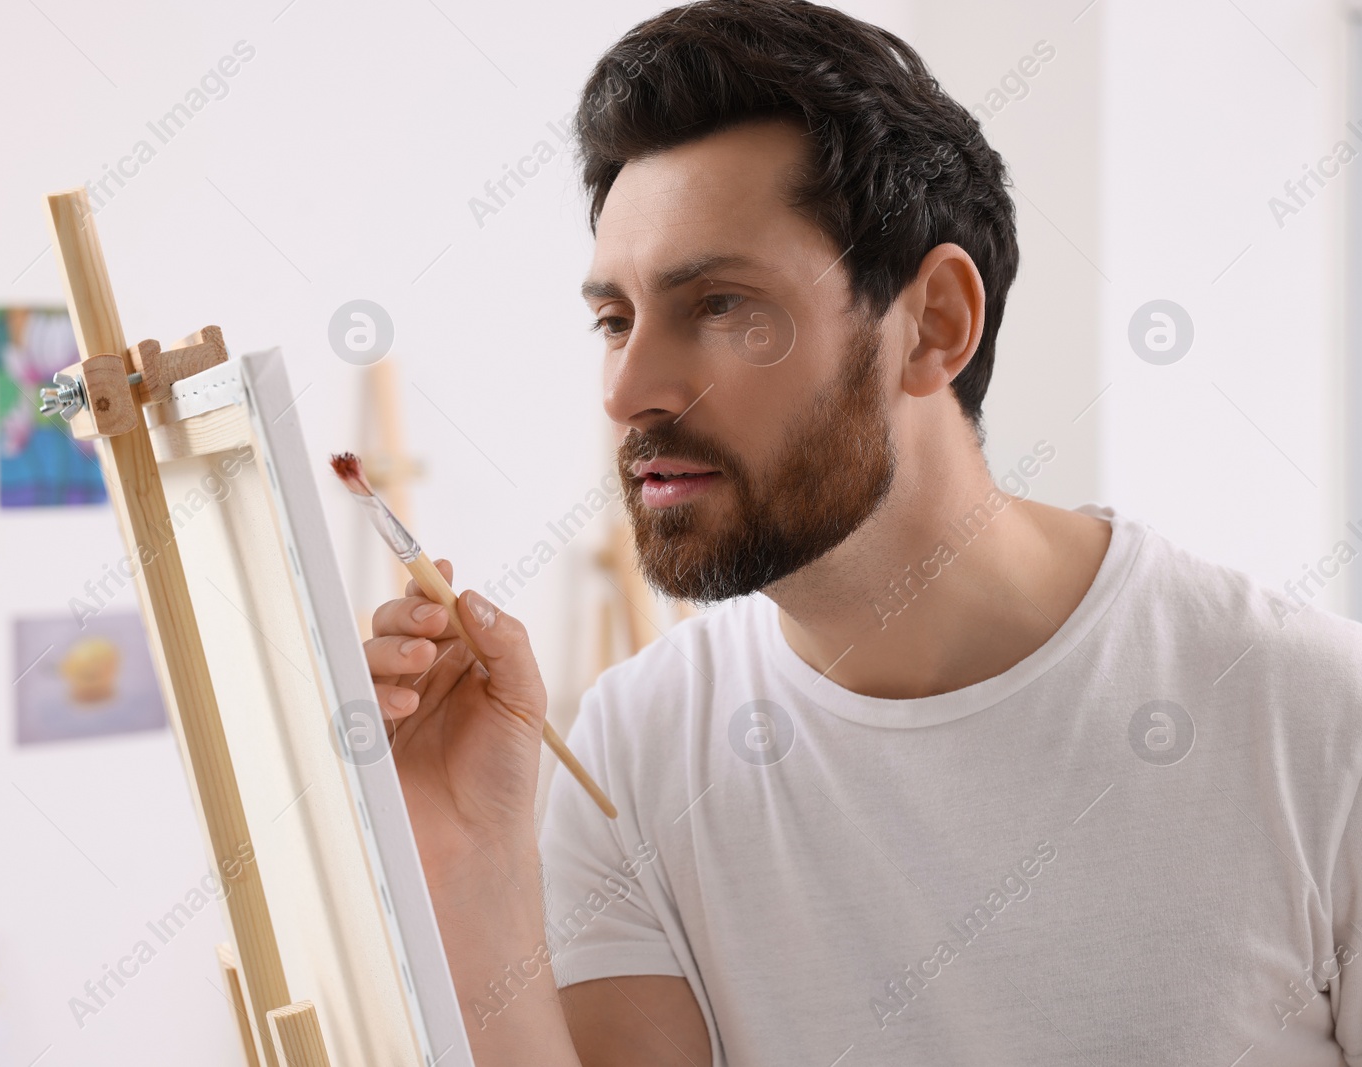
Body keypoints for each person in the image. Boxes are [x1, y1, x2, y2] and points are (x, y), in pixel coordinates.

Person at [365, 2, 1362, 1063]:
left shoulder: (1314, 719)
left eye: (719, 305)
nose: (627, 388)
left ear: (932, 323)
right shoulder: (634, 753)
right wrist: (470, 862)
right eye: (614, 319)